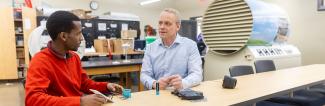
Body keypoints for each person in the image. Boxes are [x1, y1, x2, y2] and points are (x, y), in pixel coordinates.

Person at [25, 11, 123, 106]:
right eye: (78, 34)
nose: (81, 38)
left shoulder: (74, 57)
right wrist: (79, 102)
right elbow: (33, 99)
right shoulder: (40, 61)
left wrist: (106, 86)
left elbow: (84, 83)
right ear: (63, 36)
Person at [140, 8, 203, 90]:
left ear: (178, 26)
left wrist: (183, 83)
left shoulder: (190, 46)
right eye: (160, 23)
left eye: (167, 23)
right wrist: (156, 84)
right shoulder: (150, 47)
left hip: (181, 93)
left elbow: (197, 74)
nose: (162, 27)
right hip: (158, 92)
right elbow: (144, 74)